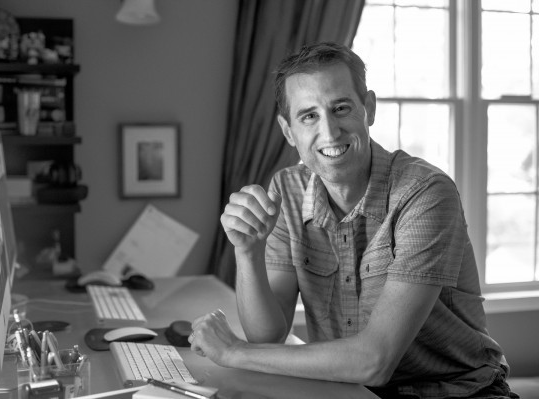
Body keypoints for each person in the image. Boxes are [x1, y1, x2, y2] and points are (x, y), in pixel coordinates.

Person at [188, 42, 517, 398]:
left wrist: (233, 352)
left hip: (458, 393)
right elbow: (267, 336)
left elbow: (374, 362)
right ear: (287, 130)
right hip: (350, 393)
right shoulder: (287, 189)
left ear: (368, 109)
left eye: (340, 108)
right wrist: (248, 251)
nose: (329, 133)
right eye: (309, 116)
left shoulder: (424, 194)